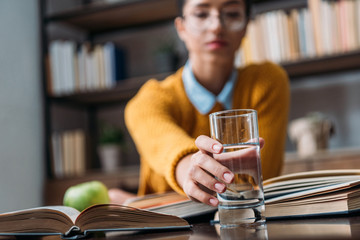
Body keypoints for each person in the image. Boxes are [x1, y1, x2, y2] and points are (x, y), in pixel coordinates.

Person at [109, 0, 290, 207]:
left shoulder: (267, 82)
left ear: (246, 26)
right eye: (201, 14)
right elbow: (171, 149)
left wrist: (132, 202)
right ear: (181, 28)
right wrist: (191, 170)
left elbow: (255, 184)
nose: (216, 26)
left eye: (231, 14)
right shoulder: (148, 101)